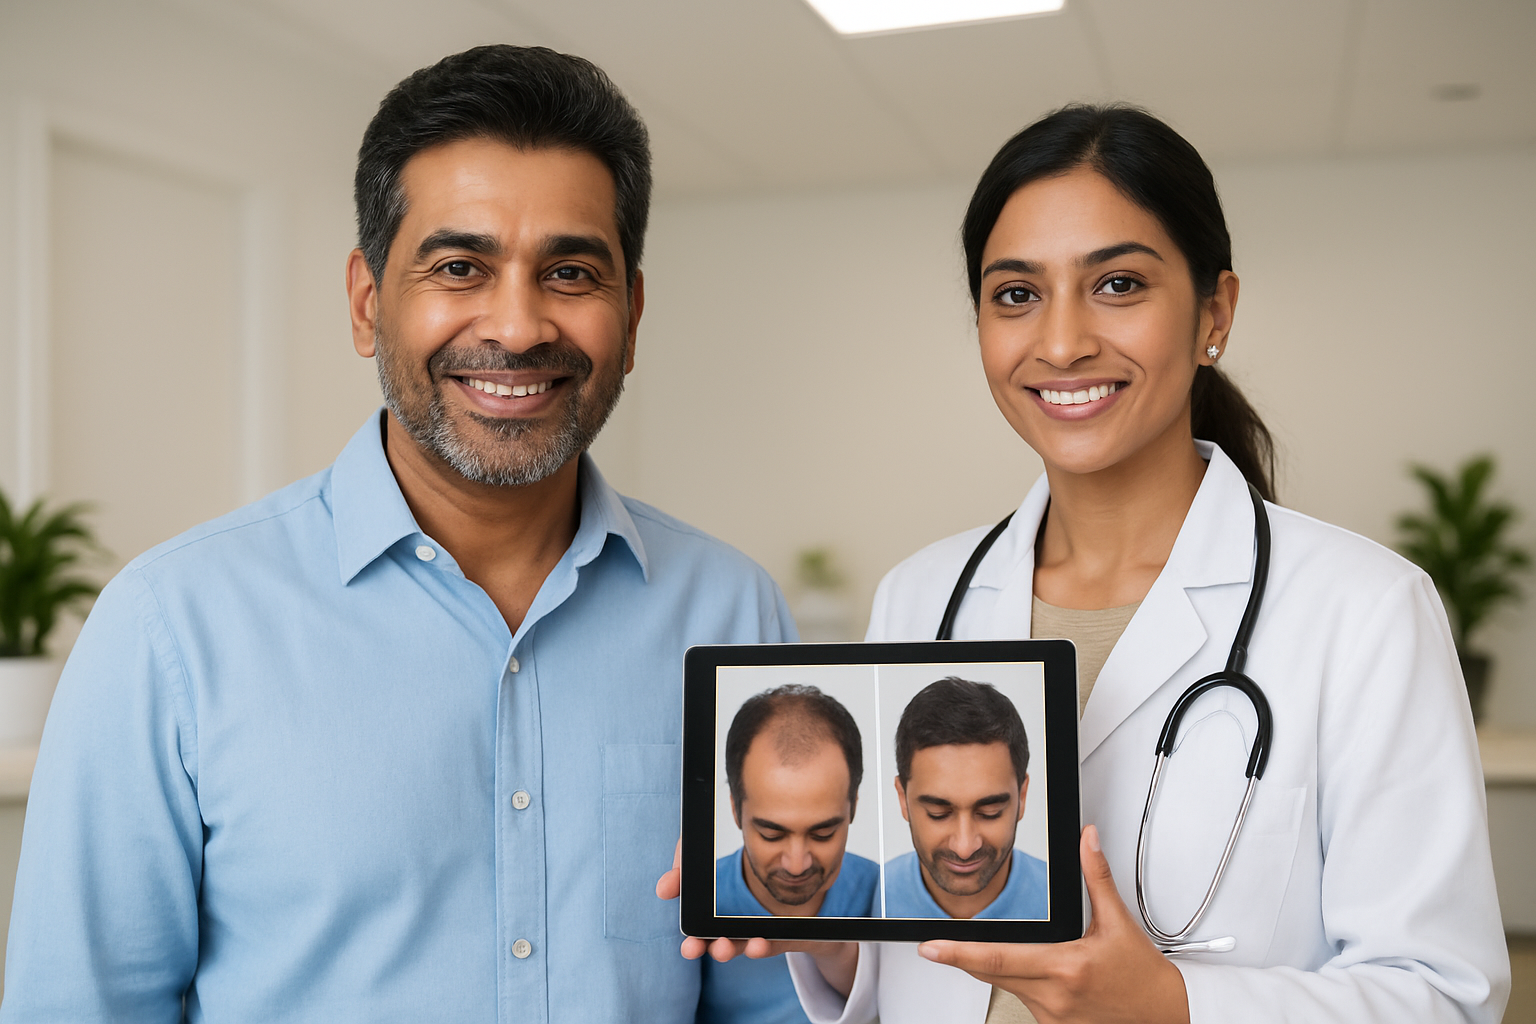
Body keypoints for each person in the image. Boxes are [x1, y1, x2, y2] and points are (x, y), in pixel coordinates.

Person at [2, 45, 794, 1022]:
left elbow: (769, 996)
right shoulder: (170, 629)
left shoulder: (732, 609)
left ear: (631, 313)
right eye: (460, 266)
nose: (517, 325)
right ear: (368, 301)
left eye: (571, 271)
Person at [672, 104, 1509, 1024]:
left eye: (1117, 284)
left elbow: (1444, 996)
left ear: (1213, 314)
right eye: (1016, 294)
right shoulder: (922, 594)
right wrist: (825, 932)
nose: (1062, 341)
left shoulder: (1365, 610)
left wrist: (1171, 1004)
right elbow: (907, 967)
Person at [703, 684, 878, 1023]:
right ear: (736, 811)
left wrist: (837, 952)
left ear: (853, 806)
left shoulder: (888, 891)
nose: (797, 864)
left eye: (823, 833)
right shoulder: (700, 899)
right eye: (771, 834)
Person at [883, 678, 1046, 921]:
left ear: (1022, 797)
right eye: (938, 813)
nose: (965, 847)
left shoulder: (1073, 900)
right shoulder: (867, 900)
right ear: (902, 798)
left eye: (991, 812)